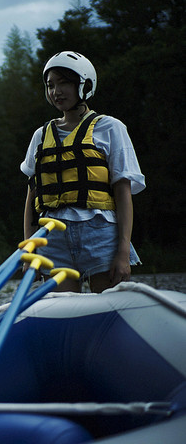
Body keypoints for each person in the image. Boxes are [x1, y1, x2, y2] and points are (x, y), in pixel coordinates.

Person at [21, 51, 144, 292]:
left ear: (85, 85)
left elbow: (123, 192)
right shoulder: (40, 135)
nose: (56, 91)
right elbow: (32, 196)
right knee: (65, 316)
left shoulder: (110, 127)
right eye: (50, 85)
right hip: (52, 238)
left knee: (105, 311)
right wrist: (29, 248)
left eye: (64, 82)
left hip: (100, 234)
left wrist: (123, 252)